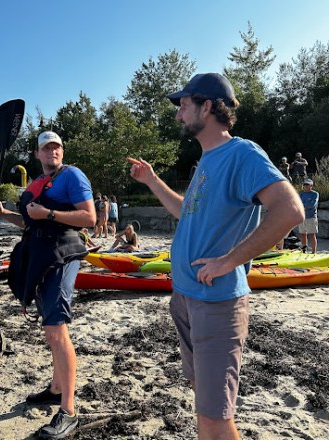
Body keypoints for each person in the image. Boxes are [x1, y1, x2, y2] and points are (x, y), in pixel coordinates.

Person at [128, 72, 304, 439]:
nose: (179, 115)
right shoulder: (208, 160)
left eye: (184, 106)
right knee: (204, 405)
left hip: (217, 304)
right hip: (187, 299)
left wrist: (229, 261)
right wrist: (153, 181)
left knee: (214, 418)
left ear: (207, 107)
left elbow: (290, 210)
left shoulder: (242, 153)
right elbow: (186, 213)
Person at [0, 131, 95, 439]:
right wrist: (5, 213)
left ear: (62, 151)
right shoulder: (35, 183)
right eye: (46, 148)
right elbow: (30, 221)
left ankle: (69, 411)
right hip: (39, 256)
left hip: (63, 253)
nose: (52, 152)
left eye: (57, 147)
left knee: (55, 329)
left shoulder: (72, 176)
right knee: (50, 328)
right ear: (37, 154)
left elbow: (88, 217)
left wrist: (49, 212)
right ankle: (55, 388)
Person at [298, 178, 319, 253]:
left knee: (312, 234)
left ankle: (314, 252)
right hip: (302, 217)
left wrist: (303, 206)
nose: (306, 186)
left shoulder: (315, 194)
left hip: (311, 217)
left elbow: (313, 205)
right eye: (305, 185)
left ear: (311, 186)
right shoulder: (301, 194)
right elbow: (298, 203)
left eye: (308, 185)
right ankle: (304, 251)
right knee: (303, 234)